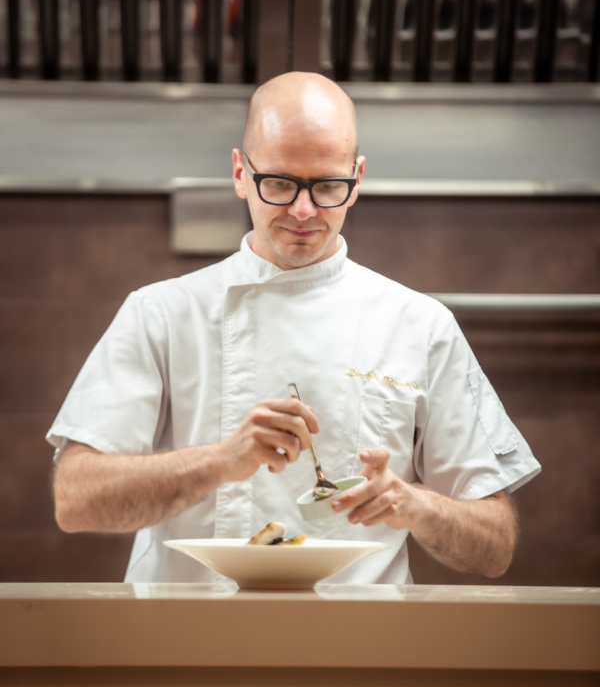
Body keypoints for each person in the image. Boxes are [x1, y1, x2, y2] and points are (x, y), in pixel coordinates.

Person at [47, 71, 541, 584]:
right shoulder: (162, 313)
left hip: (353, 650)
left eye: (327, 185)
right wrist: (222, 460)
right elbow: (76, 498)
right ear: (240, 173)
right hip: (186, 645)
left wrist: (413, 504)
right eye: (280, 183)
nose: (303, 211)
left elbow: (494, 546)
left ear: (357, 182)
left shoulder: (421, 326)